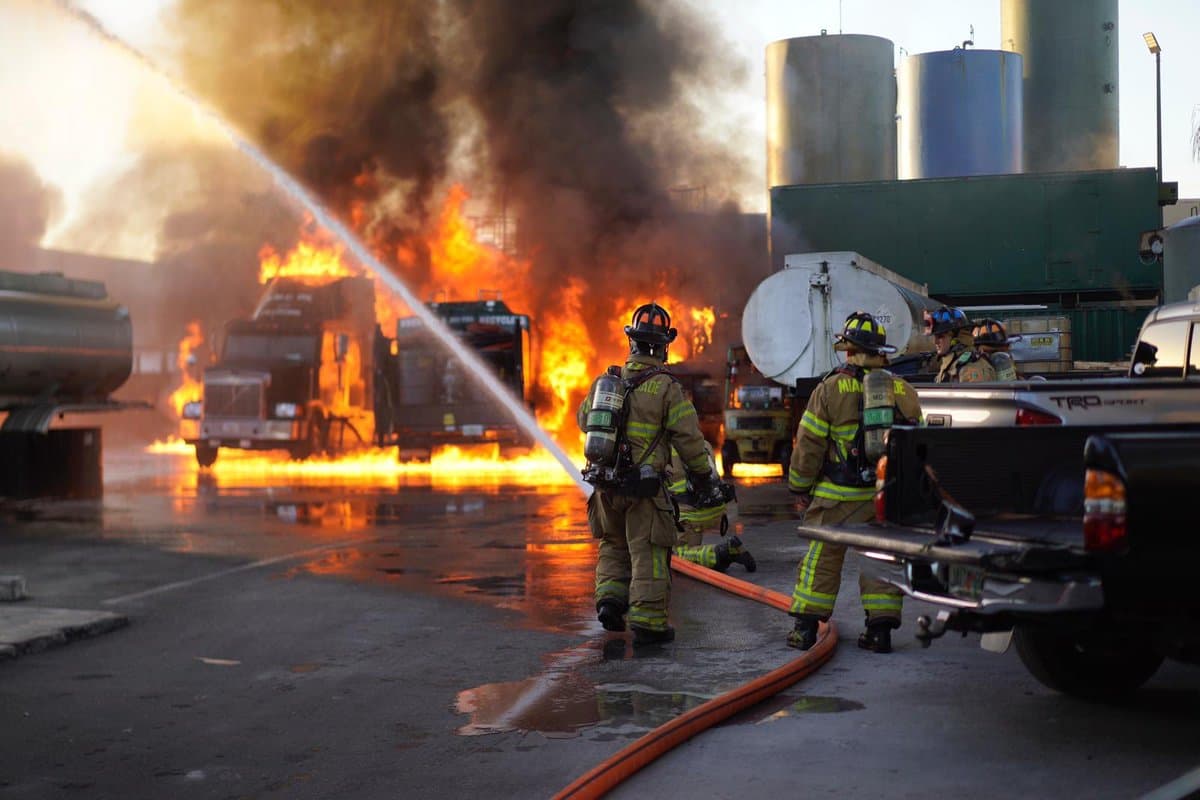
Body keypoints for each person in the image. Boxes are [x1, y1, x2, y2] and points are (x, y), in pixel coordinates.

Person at [578, 303, 721, 646]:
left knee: (613, 545)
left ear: (632, 343)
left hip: (605, 484)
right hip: (644, 487)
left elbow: (585, 421)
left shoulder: (608, 382)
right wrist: (705, 480)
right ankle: (648, 621)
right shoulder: (667, 388)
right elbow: (689, 439)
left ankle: (610, 602)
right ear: (663, 346)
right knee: (649, 552)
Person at [786, 311, 922, 653]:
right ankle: (880, 633)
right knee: (881, 558)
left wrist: (799, 487)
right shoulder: (902, 389)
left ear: (849, 350)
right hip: (881, 495)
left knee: (822, 557)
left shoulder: (830, 388)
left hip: (836, 496)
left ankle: (804, 629)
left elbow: (810, 444)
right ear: (880, 351)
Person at [667, 443, 756, 573]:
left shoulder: (662, 449)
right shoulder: (704, 443)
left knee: (674, 557)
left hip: (689, 515)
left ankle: (723, 552)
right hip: (714, 509)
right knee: (691, 548)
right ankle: (728, 552)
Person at [925, 305, 976, 383]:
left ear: (956, 338)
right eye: (935, 337)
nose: (935, 342)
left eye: (940, 336)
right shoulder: (950, 363)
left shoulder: (969, 368)